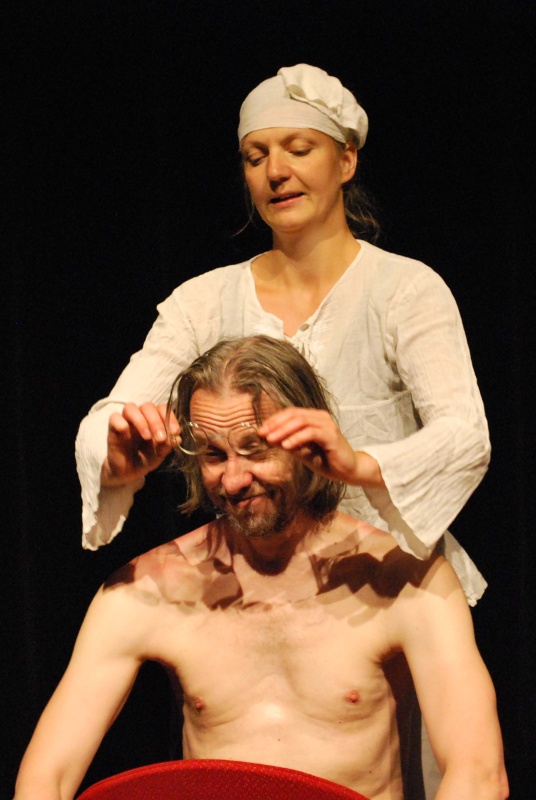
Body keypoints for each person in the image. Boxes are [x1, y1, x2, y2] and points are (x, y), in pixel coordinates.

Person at [75, 63, 490, 797]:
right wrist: (121, 447)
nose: (276, 171)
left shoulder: (404, 290)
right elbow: (116, 410)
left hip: (381, 592)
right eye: (255, 155)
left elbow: (465, 433)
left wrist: (359, 465)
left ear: (346, 159)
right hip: (254, 586)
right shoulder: (204, 300)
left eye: (299, 148)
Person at [15, 337, 508, 800]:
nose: (233, 479)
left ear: (308, 442)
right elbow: (45, 778)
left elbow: (479, 774)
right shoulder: (148, 590)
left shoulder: (405, 581)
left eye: (255, 448)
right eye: (214, 455)